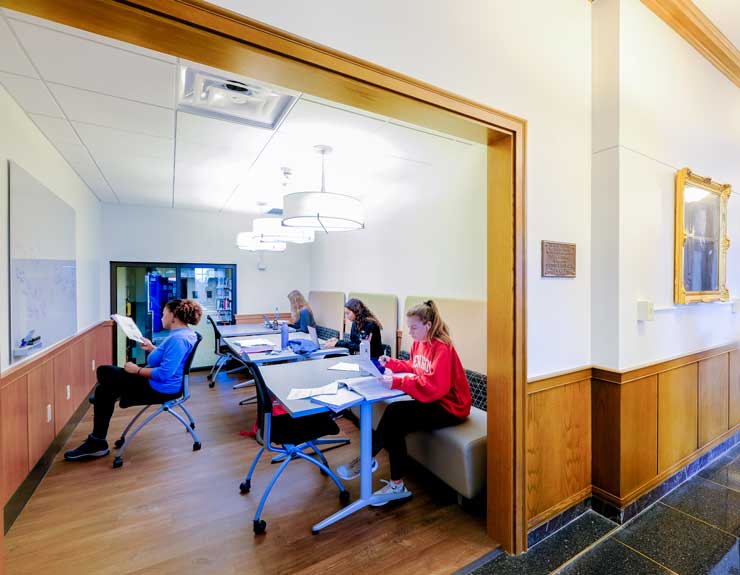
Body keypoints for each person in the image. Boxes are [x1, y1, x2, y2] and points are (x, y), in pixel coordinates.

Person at [336, 300, 471, 504]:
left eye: (413, 327)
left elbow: (434, 386)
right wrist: (391, 362)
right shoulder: (419, 342)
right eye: (408, 327)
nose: (409, 332)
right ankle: (391, 479)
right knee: (394, 416)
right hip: (435, 400)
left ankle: (371, 463)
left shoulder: (442, 348)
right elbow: (413, 366)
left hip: (451, 407)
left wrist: (397, 381)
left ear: (428, 325)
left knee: (395, 415)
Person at [64, 299, 203, 461]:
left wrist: (137, 370)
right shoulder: (184, 334)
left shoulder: (178, 339)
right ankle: (100, 429)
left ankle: (98, 439)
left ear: (173, 316)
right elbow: (170, 358)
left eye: (164, 314)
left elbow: (164, 373)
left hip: (160, 388)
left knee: (104, 372)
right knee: (104, 390)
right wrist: (152, 348)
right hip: (162, 384)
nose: (161, 317)